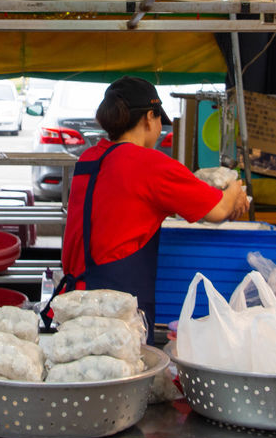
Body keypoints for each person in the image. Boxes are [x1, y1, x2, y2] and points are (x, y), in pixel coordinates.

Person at [57, 76, 250, 342]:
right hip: (116, 315)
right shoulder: (148, 164)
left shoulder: (89, 157)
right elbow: (217, 210)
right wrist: (236, 191)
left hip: (74, 303)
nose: (160, 128)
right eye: (160, 120)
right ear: (149, 117)